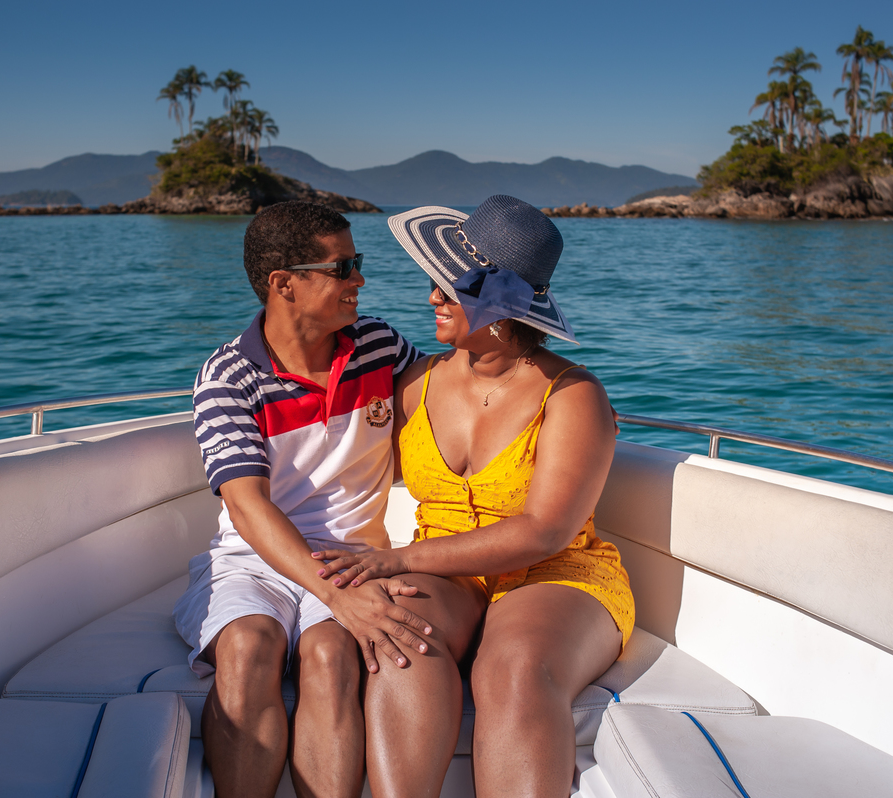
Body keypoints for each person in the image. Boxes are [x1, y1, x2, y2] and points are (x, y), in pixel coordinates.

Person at [313, 195, 635, 797]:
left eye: (445, 287)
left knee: (513, 670)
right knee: (399, 637)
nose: (430, 298)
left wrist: (397, 559)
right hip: (449, 568)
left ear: (498, 305)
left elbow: (545, 531)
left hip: (558, 573)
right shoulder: (413, 381)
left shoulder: (572, 396)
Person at [172, 201, 433, 798]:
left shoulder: (379, 346)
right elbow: (247, 507)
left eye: (356, 263)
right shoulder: (228, 375)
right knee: (246, 648)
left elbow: (450, 402)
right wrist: (339, 596)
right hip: (252, 561)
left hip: (350, 557)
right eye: (343, 267)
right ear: (284, 283)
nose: (360, 280)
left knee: (331, 658)